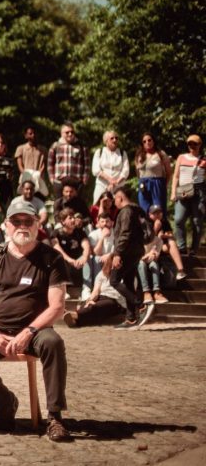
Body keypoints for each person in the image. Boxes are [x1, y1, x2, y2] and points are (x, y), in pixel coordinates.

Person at [0, 199, 71, 442]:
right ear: (6, 225)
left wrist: (29, 331)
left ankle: (55, 417)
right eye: (16, 221)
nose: (22, 226)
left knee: (53, 343)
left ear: (38, 224)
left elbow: (57, 306)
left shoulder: (51, 258)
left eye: (28, 221)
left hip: (36, 330)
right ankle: (6, 402)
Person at [110, 186, 149, 327]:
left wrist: (118, 253)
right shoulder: (137, 210)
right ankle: (131, 317)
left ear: (120, 197)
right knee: (127, 282)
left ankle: (141, 305)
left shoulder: (126, 211)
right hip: (136, 250)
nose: (114, 202)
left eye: (115, 198)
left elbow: (125, 233)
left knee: (113, 280)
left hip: (127, 251)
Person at [171, 135, 205, 255]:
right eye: (190, 144)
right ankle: (182, 246)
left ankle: (194, 249)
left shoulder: (204, 160)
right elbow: (175, 176)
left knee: (197, 222)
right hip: (183, 191)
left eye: (195, 144)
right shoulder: (181, 157)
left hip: (198, 192)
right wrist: (173, 192)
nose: (192, 146)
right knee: (179, 219)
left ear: (200, 145)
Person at [47, 123, 90, 196]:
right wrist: (52, 179)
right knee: (59, 205)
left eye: (72, 132)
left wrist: (84, 180)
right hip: (59, 182)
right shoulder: (55, 146)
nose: (70, 134)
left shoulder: (82, 146)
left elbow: (87, 165)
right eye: (67, 132)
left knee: (76, 206)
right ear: (61, 133)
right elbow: (50, 164)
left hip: (77, 182)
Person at [135, 133, 170, 218]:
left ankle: (161, 229)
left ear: (153, 141)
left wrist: (164, 184)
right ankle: (147, 229)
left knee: (158, 210)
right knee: (144, 209)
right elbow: (138, 172)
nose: (147, 142)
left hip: (157, 183)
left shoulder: (160, 154)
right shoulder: (139, 155)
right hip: (143, 184)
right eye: (144, 141)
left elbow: (168, 172)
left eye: (149, 140)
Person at [91, 131, 130, 204]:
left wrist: (116, 182)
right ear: (106, 141)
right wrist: (110, 180)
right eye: (112, 138)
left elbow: (126, 170)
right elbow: (95, 170)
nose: (114, 140)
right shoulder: (99, 152)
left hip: (118, 186)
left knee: (118, 207)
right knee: (98, 205)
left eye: (116, 138)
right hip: (102, 185)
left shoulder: (122, 153)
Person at [15, 126, 48, 198]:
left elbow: (44, 164)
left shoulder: (43, 149)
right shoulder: (21, 148)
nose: (33, 135)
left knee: (39, 201)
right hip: (25, 179)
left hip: (39, 180)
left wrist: (38, 174)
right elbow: (19, 165)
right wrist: (25, 174)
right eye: (30, 133)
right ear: (26, 135)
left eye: (35, 133)